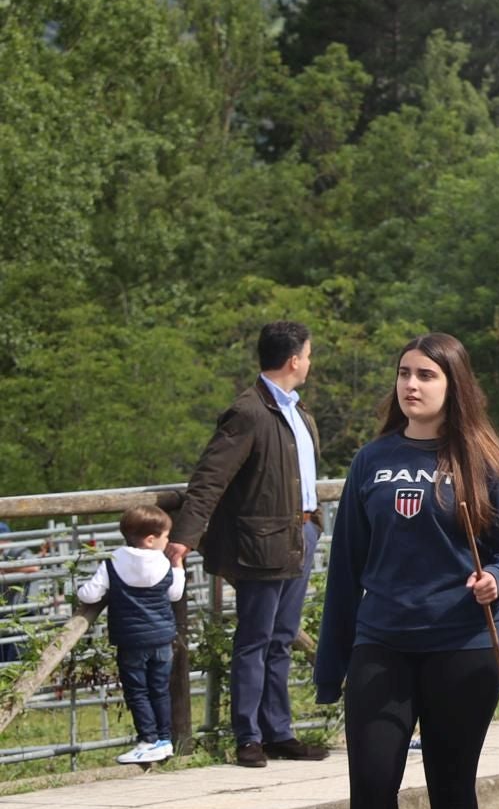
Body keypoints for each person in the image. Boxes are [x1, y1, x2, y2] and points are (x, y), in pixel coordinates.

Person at [316, 333, 499, 809]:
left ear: (453, 386)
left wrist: (498, 582)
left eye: (426, 376)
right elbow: (345, 568)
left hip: (461, 648)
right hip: (381, 645)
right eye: (404, 374)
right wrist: (331, 666)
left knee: (449, 787)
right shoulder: (371, 461)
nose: (411, 386)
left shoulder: (482, 462)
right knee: (373, 784)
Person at [167, 319, 328, 769]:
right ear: (294, 359)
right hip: (262, 542)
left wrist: (315, 523)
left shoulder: (298, 413)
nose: (310, 363)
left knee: (280, 638)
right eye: (309, 355)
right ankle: (249, 736)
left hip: (301, 534)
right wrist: (184, 537)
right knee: (255, 639)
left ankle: (279, 732)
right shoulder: (249, 412)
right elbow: (209, 479)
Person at [76, 505, 184, 765]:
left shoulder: (113, 561)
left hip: (131, 641)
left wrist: (78, 590)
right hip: (162, 638)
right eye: (166, 537)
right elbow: (175, 594)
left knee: (137, 692)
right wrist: (178, 566)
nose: (167, 542)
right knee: (159, 690)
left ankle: (147, 739)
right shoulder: (163, 562)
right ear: (151, 539)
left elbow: (90, 594)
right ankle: (164, 740)